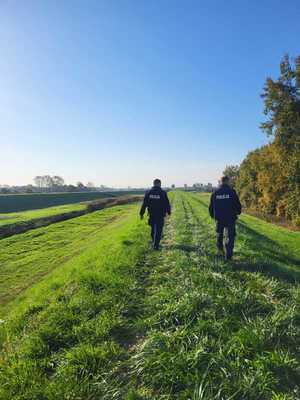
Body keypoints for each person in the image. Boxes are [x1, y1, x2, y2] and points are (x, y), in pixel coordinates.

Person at [209, 176, 242, 261]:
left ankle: (220, 252)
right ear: (227, 181)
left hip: (219, 218)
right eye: (230, 181)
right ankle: (228, 256)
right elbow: (237, 205)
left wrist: (213, 216)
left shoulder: (215, 193)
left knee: (219, 234)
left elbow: (211, 207)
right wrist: (238, 212)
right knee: (230, 236)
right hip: (230, 218)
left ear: (221, 182)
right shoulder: (232, 192)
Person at [140, 179, 171, 250]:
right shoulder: (163, 192)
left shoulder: (148, 192)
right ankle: (156, 245)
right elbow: (167, 203)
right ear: (160, 184)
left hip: (151, 214)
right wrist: (168, 212)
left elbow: (144, 204)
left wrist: (141, 213)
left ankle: (154, 241)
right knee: (159, 230)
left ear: (153, 184)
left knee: (153, 228)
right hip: (160, 214)